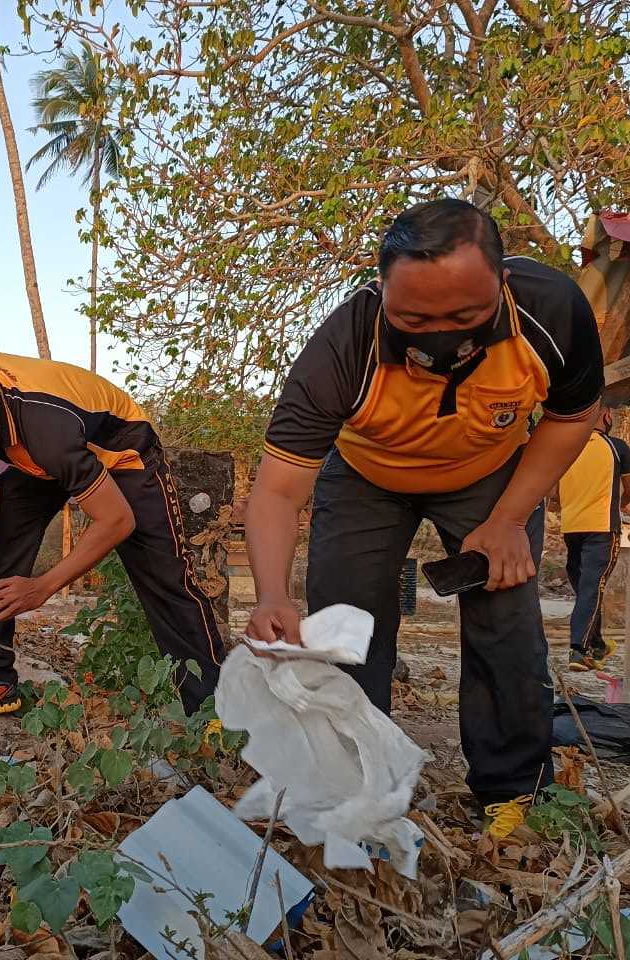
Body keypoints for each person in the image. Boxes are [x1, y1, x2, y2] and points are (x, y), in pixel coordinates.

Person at [244, 199, 603, 840]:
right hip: (364, 478)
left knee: (507, 626)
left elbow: (573, 416)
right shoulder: (342, 348)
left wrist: (510, 518)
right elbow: (275, 493)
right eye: (413, 317)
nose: (441, 335)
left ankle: (512, 789)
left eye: (465, 315)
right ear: (381, 289)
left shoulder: (551, 312)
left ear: (503, 283)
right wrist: (272, 592)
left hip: (490, 478)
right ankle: (351, 786)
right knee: (343, 632)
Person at [0, 353, 223, 720]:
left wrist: (42, 587)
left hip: (121, 450)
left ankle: (214, 709)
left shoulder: (45, 426)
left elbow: (116, 521)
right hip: (41, 459)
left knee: (167, 580)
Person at [558, 405, 630, 672]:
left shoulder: (568, 447)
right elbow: (629, 491)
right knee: (591, 588)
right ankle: (578, 650)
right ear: (605, 415)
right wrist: (621, 504)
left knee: (586, 589)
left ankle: (598, 644)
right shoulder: (617, 447)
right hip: (602, 528)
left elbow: (555, 495)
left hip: (571, 528)